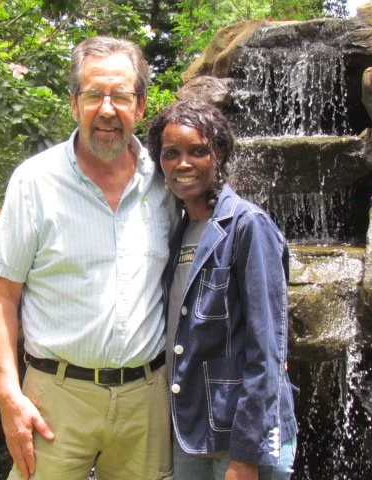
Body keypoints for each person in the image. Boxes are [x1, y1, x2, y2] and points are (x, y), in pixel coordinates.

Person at [0, 36, 177, 480]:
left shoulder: (166, 184)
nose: (107, 110)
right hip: (55, 397)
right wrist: (7, 393)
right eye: (94, 95)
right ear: (74, 104)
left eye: (121, 96)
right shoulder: (35, 182)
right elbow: (1, 296)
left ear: (141, 105)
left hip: (145, 401)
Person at [147, 99, 298, 480]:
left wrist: (246, 454)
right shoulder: (177, 231)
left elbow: (268, 347)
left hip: (241, 437)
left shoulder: (249, 226)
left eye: (198, 151)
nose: (183, 164)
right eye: (171, 154)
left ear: (219, 155)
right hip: (191, 431)